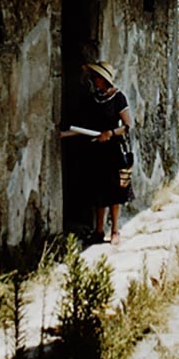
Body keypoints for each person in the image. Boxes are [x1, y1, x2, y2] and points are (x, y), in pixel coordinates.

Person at [60, 61, 133, 244]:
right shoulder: (93, 99)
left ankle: (115, 230)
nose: (94, 81)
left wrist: (110, 133)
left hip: (113, 150)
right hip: (96, 151)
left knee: (114, 191)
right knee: (99, 192)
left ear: (104, 80)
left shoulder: (118, 98)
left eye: (96, 77)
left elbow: (127, 126)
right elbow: (84, 127)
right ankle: (99, 230)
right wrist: (63, 134)